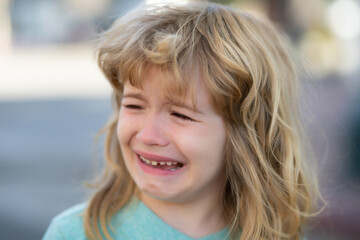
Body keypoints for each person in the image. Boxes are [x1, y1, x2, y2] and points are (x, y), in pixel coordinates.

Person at [43, 2, 321, 240]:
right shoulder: (76, 233)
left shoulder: (278, 233)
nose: (149, 135)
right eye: (135, 105)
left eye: (180, 114)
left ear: (249, 133)